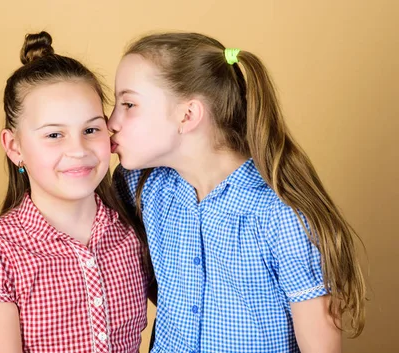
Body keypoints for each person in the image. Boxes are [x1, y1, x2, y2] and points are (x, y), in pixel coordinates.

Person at [109, 32, 366, 352]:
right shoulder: (144, 187)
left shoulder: (278, 216)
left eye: (128, 104)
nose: (111, 122)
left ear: (187, 115)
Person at [0, 31, 149, 353]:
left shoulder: (133, 232)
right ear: (15, 147)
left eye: (91, 129)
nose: (78, 149)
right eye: (54, 134)